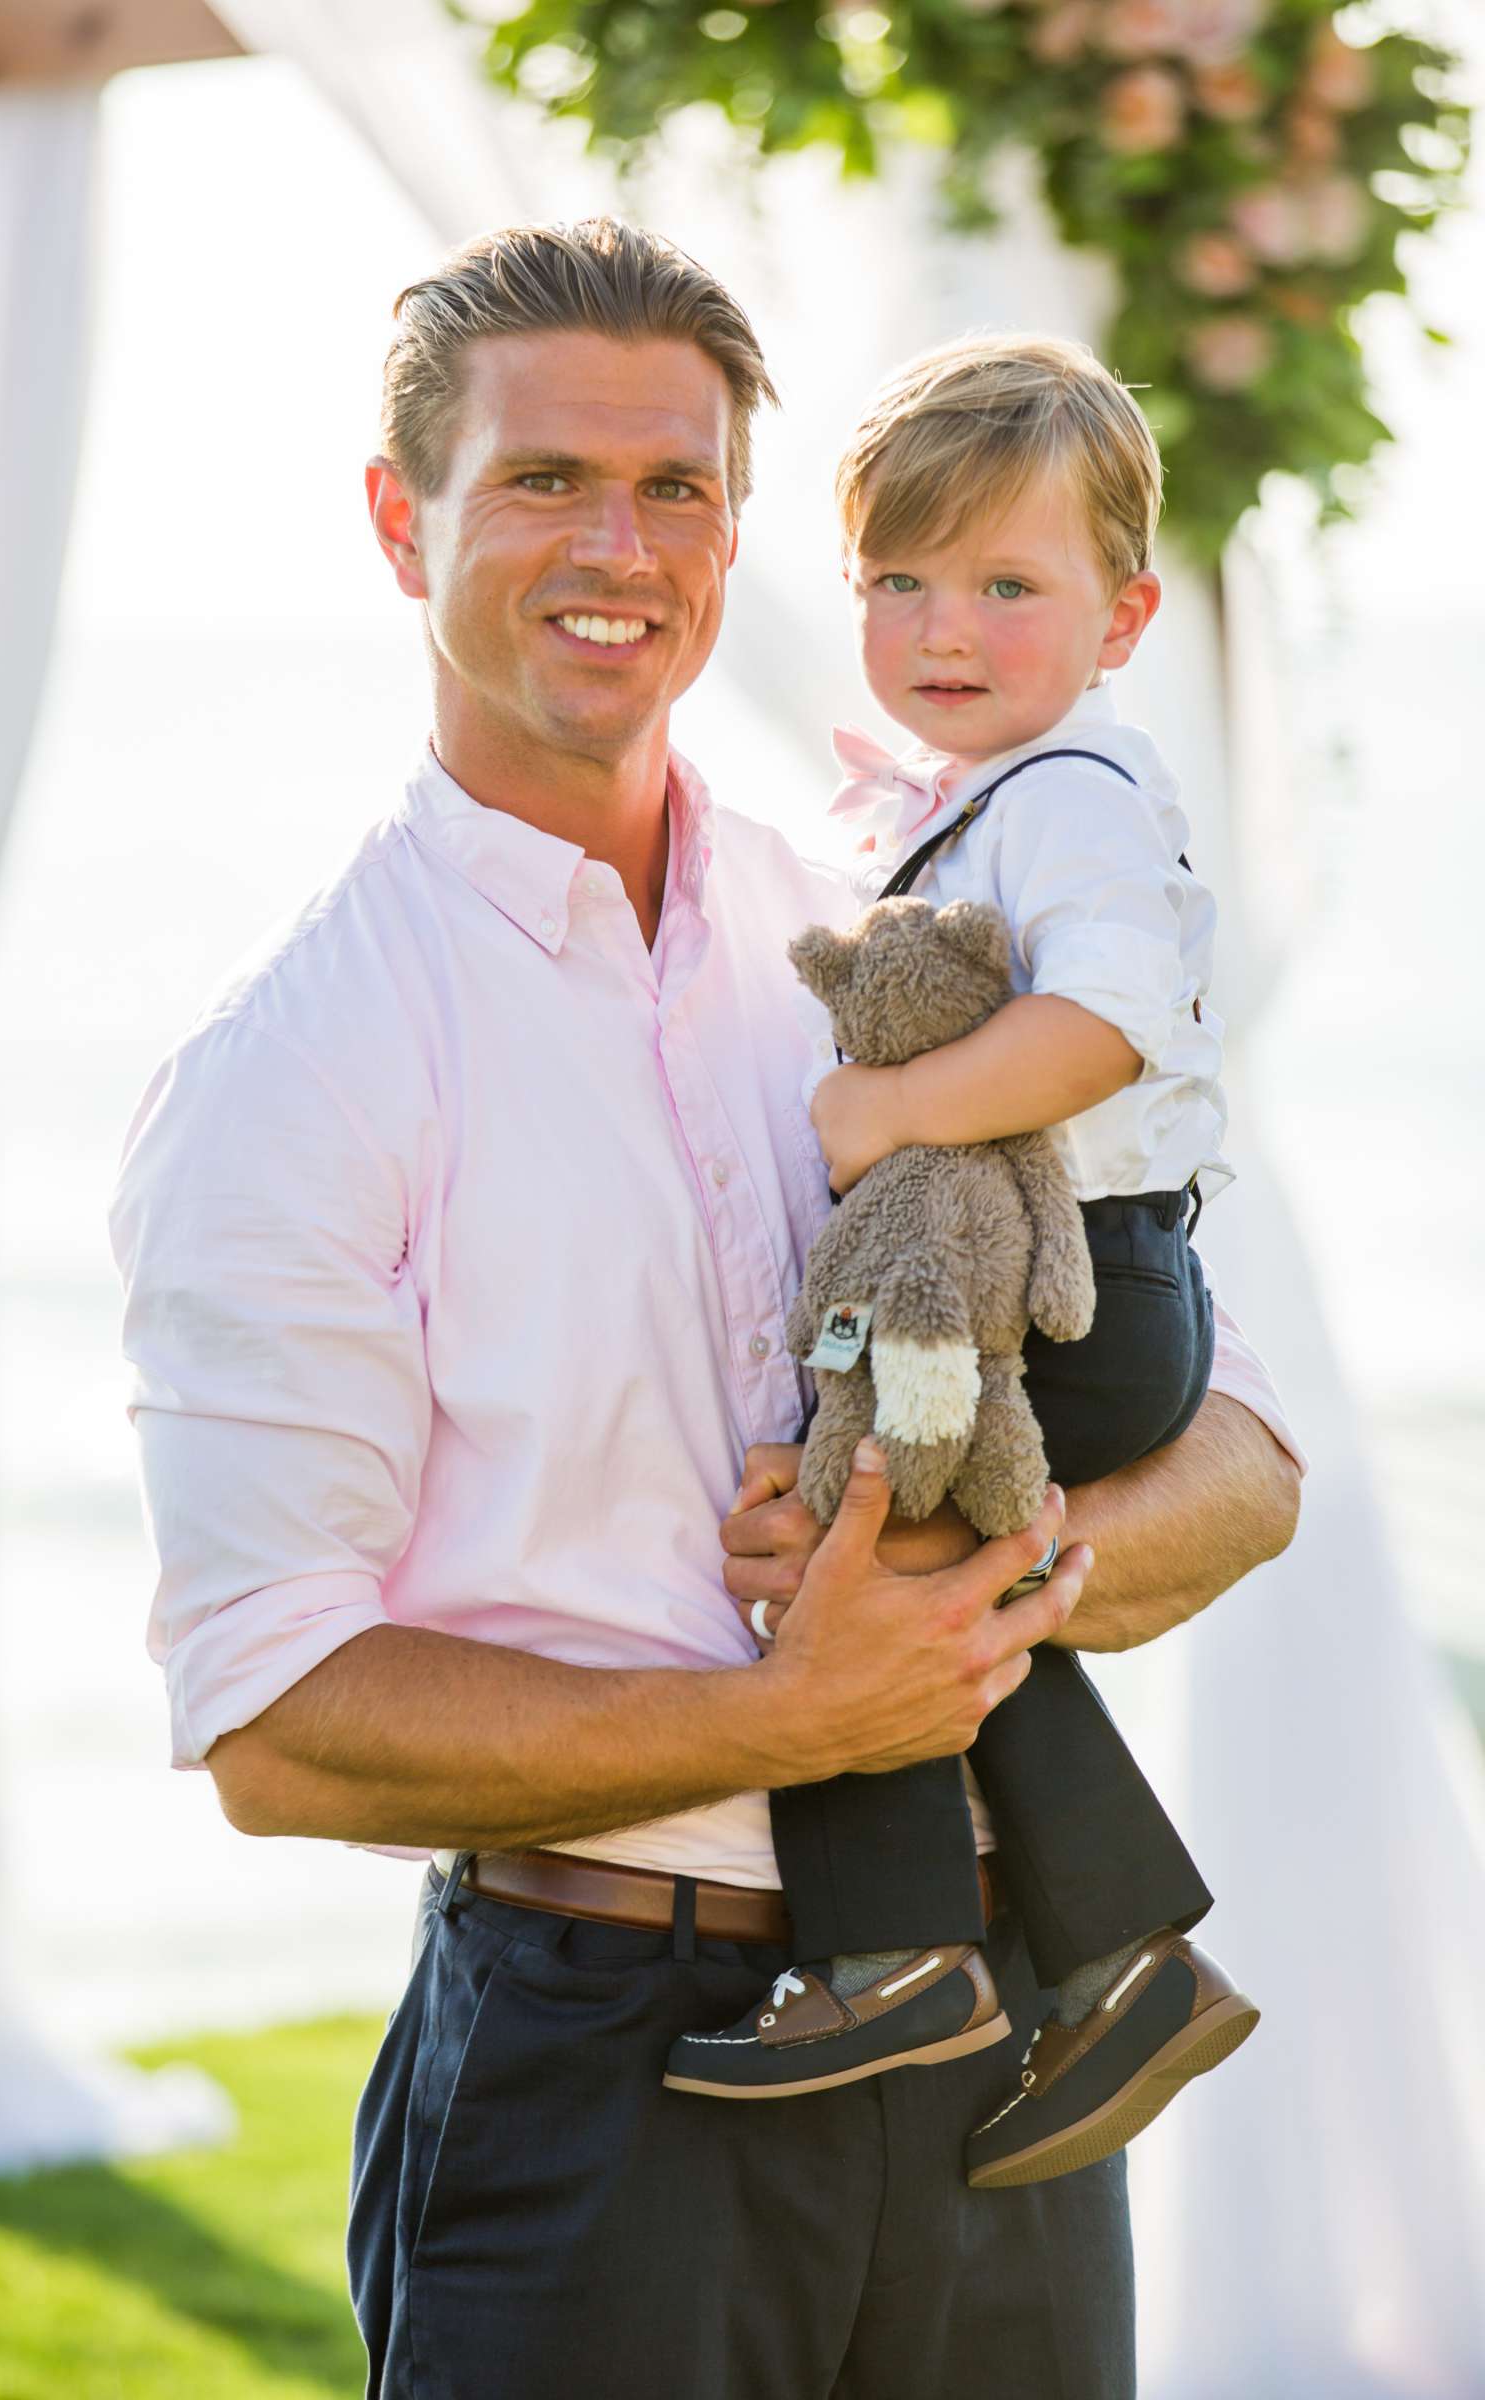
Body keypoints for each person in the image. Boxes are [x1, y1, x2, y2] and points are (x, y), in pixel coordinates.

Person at [109, 219, 1302, 2400]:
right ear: (404, 524)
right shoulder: (295, 1070)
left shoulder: (884, 946)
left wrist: (1004, 1596)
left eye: (674, 488)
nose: (619, 545)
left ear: (736, 534)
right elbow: (273, 1722)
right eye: (544, 480)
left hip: (1008, 2045)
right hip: (605, 2083)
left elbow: (1239, 1458)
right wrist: (783, 1724)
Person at [666, 334, 1258, 2195]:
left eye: (1008, 584)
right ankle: (1114, 1952)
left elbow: (1105, 1017)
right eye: (898, 580)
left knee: (851, 1571)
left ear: (1124, 613)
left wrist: (883, 1116)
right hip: (1057, 1278)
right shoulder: (994, 778)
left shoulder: (1073, 789)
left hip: (1076, 1288)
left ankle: (897, 1952)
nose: (945, 623)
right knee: (914, 1570)